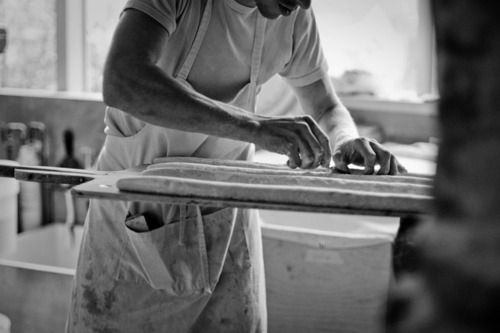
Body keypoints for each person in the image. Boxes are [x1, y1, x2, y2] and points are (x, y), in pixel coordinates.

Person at [66, 0, 406, 332]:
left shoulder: (293, 14)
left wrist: (344, 138)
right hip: (138, 220)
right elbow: (123, 79)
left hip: (227, 221)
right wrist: (255, 127)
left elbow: (326, 105)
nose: (303, 3)